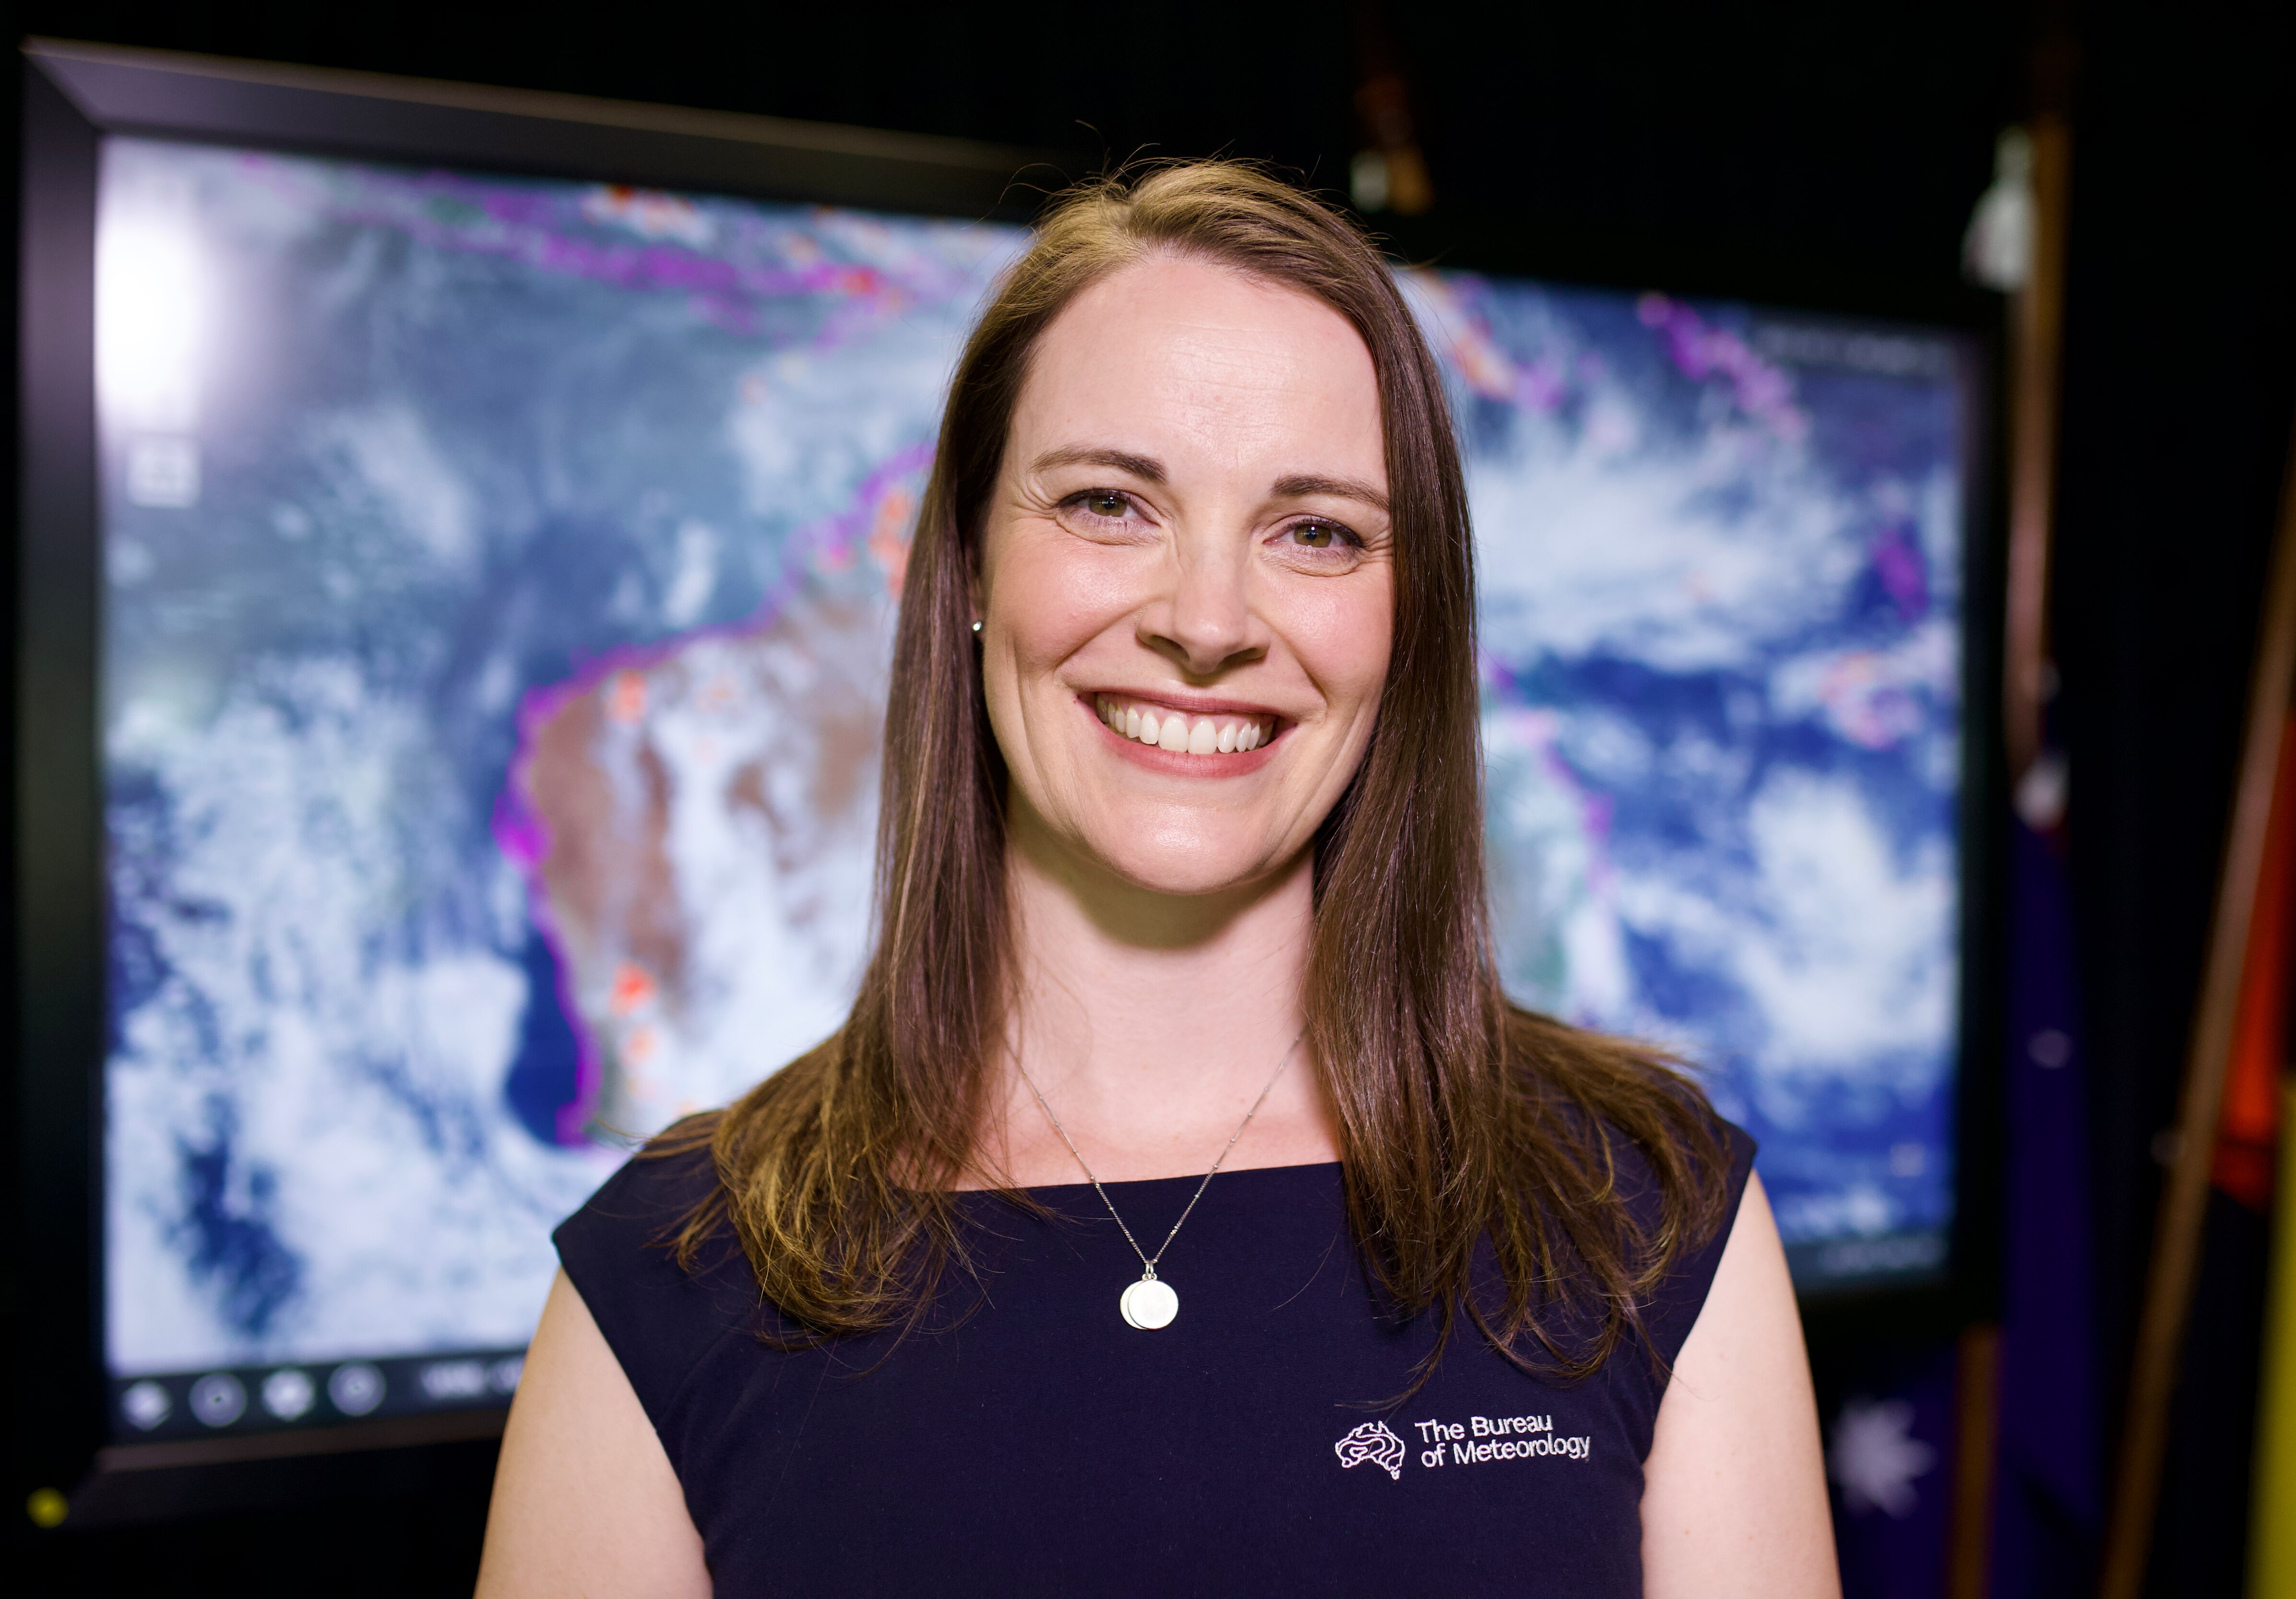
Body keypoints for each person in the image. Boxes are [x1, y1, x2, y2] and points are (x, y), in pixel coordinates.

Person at [477, 161, 1838, 1598]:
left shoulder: (1651, 1217)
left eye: (1317, 531)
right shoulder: (668, 1278)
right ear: (967, 568)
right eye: (1112, 503)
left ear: (1410, 617)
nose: (1205, 622)